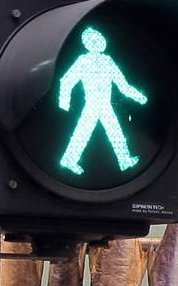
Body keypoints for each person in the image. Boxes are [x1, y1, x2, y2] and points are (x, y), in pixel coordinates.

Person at [57, 27, 148, 175]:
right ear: (86, 43)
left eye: (99, 38)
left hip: (105, 104)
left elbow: (122, 85)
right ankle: (69, 160)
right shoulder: (83, 61)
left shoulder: (108, 61)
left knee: (116, 133)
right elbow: (66, 81)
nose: (98, 42)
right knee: (82, 133)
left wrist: (139, 97)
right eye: (93, 40)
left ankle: (124, 160)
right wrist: (64, 103)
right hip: (92, 104)